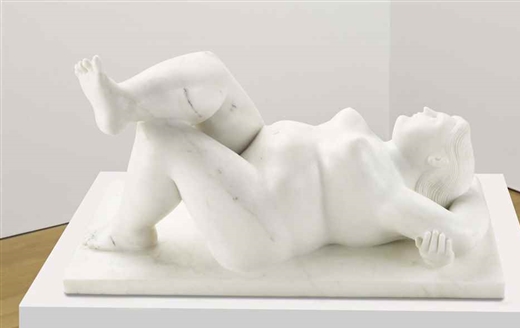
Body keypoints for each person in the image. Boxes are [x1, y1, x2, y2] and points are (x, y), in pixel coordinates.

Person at [75, 52, 489, 273]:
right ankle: (123, 103)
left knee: (161, 136)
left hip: (262, 220)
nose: (429, 110)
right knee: (211, 72)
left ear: (436, 158)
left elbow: (466, 234)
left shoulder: (392, 196)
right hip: (253, 147)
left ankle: (128, 235)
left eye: (439, 121)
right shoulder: (377, 150)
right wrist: (466, 194)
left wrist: (453, 225)